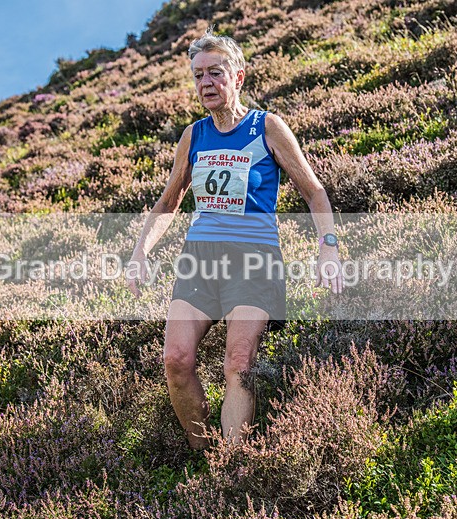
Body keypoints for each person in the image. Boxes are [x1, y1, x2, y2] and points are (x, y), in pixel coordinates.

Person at [127, 28, 342, 450]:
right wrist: (140, 251)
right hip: (200, 258)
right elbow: (170, 202)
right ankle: (204, 457)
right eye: (198, 76)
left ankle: (232, 468)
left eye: (216, 73)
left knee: (238, 362)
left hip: (253, 257)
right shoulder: (194, 135)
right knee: (176, 360)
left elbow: (313, 191)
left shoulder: (267, 126)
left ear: (238, 77)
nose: (206, 83)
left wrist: (328, 246)